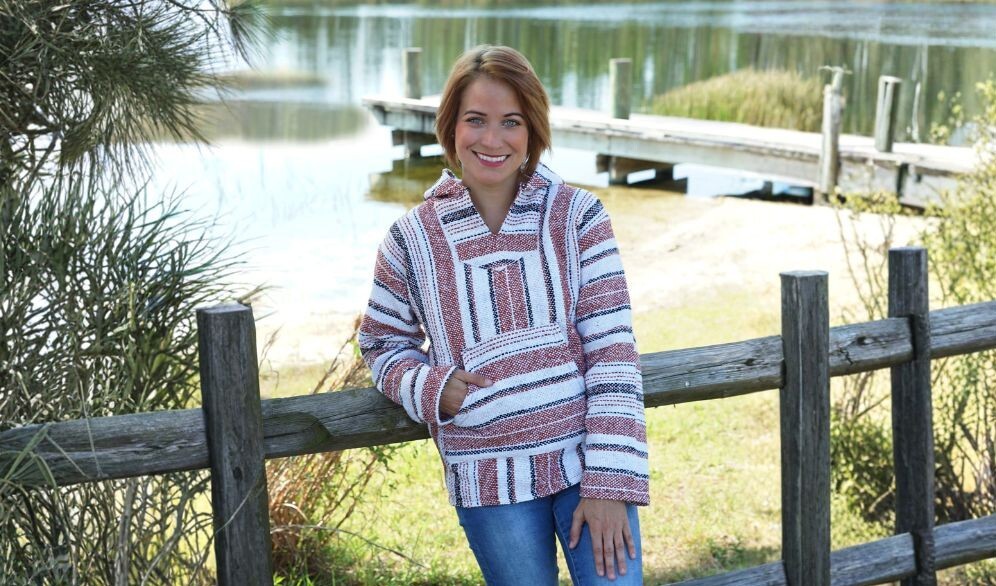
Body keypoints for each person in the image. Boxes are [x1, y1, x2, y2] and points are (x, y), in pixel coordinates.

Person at [359, 45, 649, 585]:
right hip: (487, 478)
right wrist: (428, 386)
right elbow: (380, 344)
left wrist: (610, 482)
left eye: (510, 122)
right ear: (450, 127)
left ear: (532, 132)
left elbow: (613, 352)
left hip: (588, 463)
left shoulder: (579, 217)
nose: (492, 140)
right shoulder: (409, 239)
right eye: (476, 120)